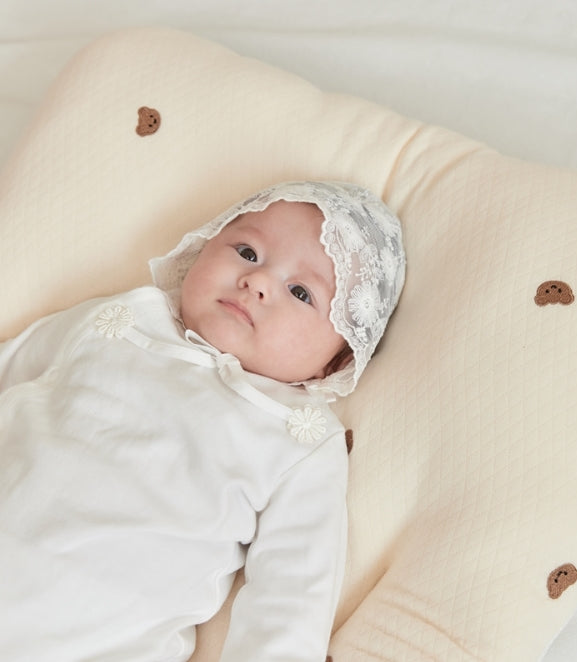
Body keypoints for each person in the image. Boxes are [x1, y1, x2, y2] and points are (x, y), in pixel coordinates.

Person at [0, 180, 406, 662]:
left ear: (334, 363)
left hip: (98, 637)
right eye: (247, 251)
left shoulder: (299, 438)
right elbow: (13, 370)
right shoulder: (122, 319)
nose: (257, 281)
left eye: (301, 292)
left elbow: (292, 597)